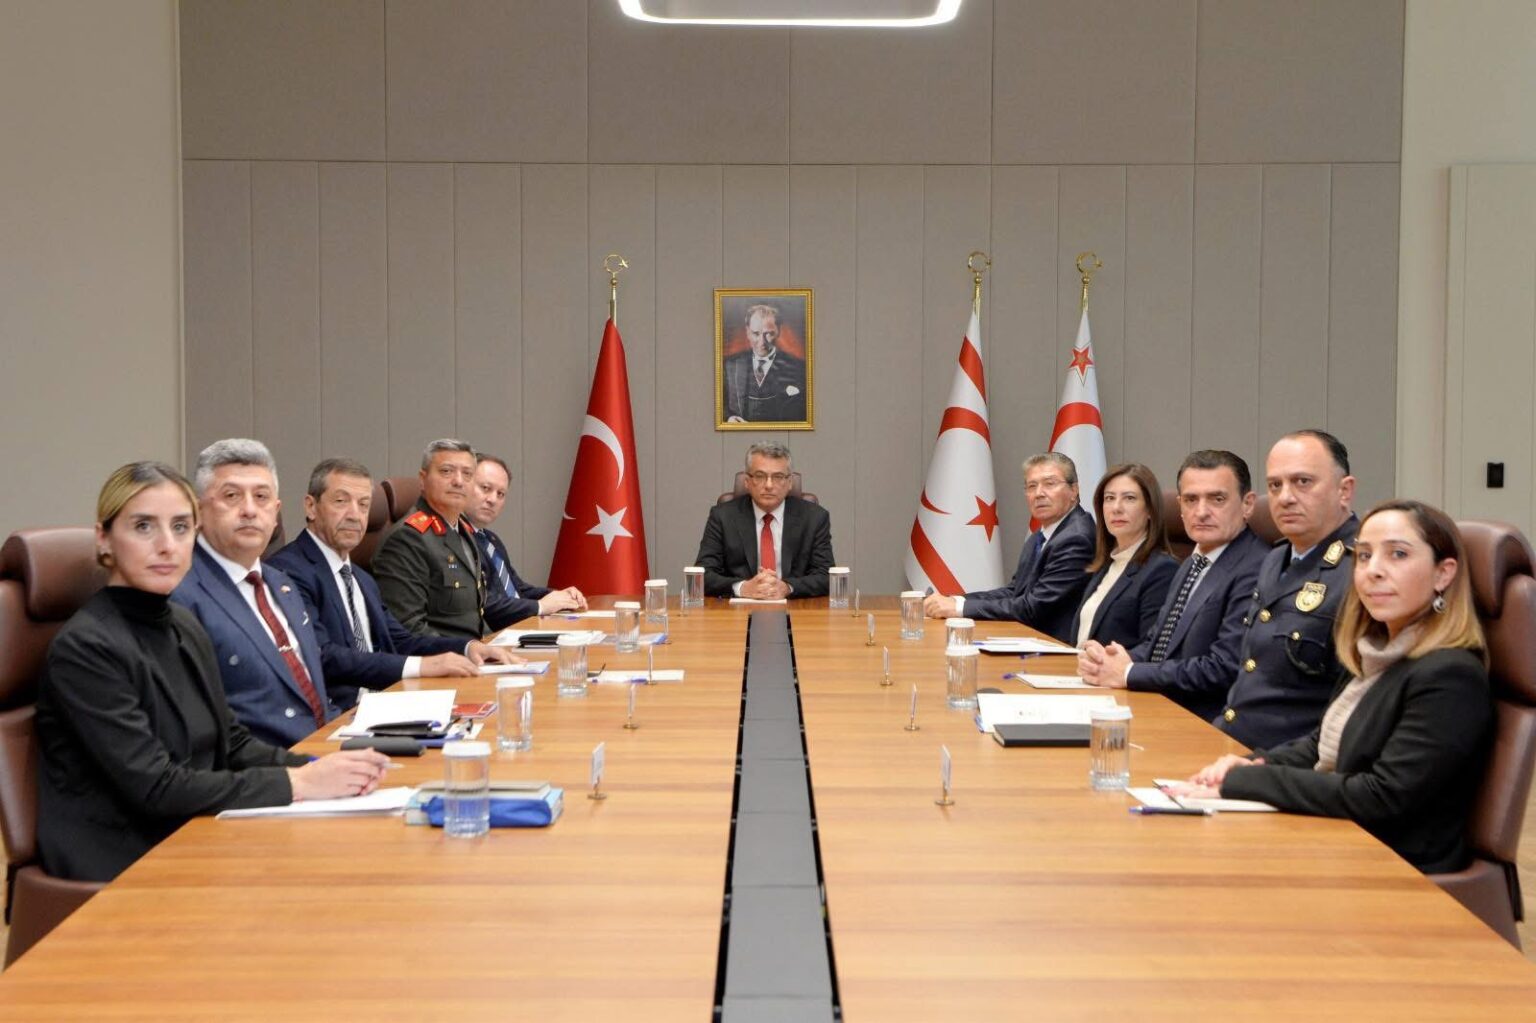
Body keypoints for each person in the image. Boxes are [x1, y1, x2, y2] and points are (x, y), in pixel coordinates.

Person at [35, 462, 389, 883]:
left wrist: (322, 765)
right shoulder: (87, 648)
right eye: (144, 527)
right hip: (126, 861)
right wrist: (299, 783)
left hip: (194, 826)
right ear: (104, 539)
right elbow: (156, 787)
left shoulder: (181, 623)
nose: (167, 545)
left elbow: (231, 742)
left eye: (181, 527)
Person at [1172, 500, 1492, 874]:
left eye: (1398, 555)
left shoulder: (1450, 675)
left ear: (1444, 574)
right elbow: (1321, 744)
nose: (1373, 571)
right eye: (1364, 556)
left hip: (1393, 870)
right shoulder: (1375, 651)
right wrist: (1252, 763)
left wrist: (1251, 780)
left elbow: (1381, 796)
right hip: (1338, 839)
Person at [266, 458, 524, 711]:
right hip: (337, 715)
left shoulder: (360, 578)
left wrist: (468, 648)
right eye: (341, 501)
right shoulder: (287, 572)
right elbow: (322, 656)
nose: (355, 515)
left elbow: (401, 641)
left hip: (387, 703)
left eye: (363, 504)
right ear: (311, 507)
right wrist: (421, 667)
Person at [1078, 450, 1271, 722]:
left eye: (1217, 499)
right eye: (1191, 500)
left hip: (1204, 723)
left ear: (1247, 504)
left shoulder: (1256, 567)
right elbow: (1158, 643)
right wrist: (1112, 660)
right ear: (1180, 506)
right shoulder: (1192, 563)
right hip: (1159, 707)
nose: (1201, 512)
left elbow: (1223, 667)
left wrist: (1129, 672)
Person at [171, 439, 339, 748]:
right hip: (268, 767)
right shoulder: (180, 596)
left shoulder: (282, 584)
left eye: (261, 497)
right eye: (231, 496)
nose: (249, 510)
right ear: (198, 511)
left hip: (327, 748)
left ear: (276, 513)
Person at [1217, 429, 1360, 749]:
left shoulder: (1362, 570)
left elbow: (1352, 711)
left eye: (1302, 482)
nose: (1285, 497)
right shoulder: (1276, 558)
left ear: (1345, 490)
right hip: (1231, 744)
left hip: (1289, 762)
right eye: (1275, 485)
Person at [372, 439, 537, 641]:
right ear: (422, 479)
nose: (459, 481)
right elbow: (408, 629)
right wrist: (470, 650)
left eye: (467, 474)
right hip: (445, 657)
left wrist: (498, 645)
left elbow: (474, 616)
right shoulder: (407, 539)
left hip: (480, 648)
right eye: (446, 471)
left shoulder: (463, 531)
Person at [923, 452, 1095, 643]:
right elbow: (1014, 592)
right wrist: (956, 601)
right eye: (1032, 486)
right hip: (1032, 641)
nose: (1039, 493)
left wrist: (958, 609)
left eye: (1049, 484)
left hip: (1059, 650)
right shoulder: (1041, 536)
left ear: (1074, 490)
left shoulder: (1076, 538)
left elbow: (1033, 608)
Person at [695, 442, 834, 599]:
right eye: (760, 476)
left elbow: (826, 576)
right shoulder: (722, 516)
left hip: (795, 607)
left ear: (790, 482)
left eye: (778, 477)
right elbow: (702, 575)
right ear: (747, 481)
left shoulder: (815, 518)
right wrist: (742, 588)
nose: (769, 485)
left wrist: (788, 587)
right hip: (737, 609)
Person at [1066, 464, 1177, 649]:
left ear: (1150, 510)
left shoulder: (1162, 570)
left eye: (1129, 498)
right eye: (1109, 498)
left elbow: (1152, 649)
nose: (1116, 508)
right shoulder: (1107, 563)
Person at [464, 452, 585, 618]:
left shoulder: (490, 539)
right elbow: (480, 603)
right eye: (485, 488)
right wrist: (540, 606)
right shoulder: (456, 540)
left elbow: (517, 589)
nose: (492, 499)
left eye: (501, 494)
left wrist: (559, 596)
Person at [722, 303, 807, 423]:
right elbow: (718, 405)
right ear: (747, 332)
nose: (762, 342)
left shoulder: (799, 368)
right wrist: (728, 418)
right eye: (756, 333)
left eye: (769, 334)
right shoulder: (729, 365)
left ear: (778, 331)